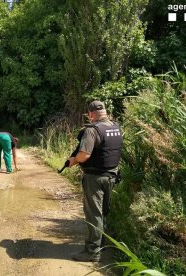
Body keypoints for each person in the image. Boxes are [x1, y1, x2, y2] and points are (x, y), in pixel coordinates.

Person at [69, 100, 123, 262]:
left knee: (94, 214)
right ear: (105, 112)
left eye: (89, 115)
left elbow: (84, 154)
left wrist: (73, 160)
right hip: (111, 176)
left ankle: (92, 251)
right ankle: (102, 244)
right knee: (104, 211)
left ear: (91, 114)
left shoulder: (92, 131)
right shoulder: (116, 127)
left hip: (95, 178)